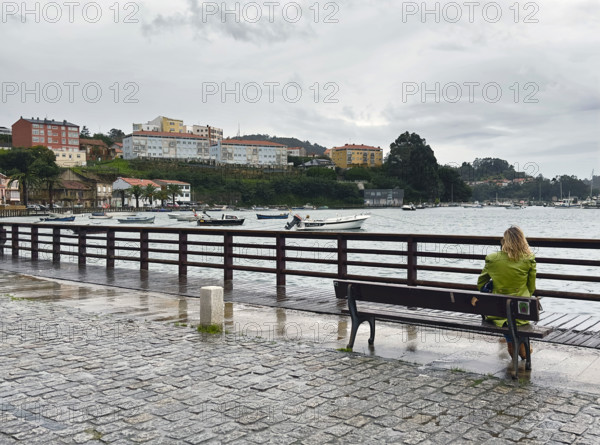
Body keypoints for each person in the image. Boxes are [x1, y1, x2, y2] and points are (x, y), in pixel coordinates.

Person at [477, 226, 536, 360]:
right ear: (523, 241)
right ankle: (524, 346)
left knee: (510, 334)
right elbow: (531, 288)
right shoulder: (529, 259)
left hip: (498, 313)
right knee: (524, 352)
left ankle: (512, 341)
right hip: (521, 313)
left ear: (504, 241)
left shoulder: (492, 258)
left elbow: (481, 283)